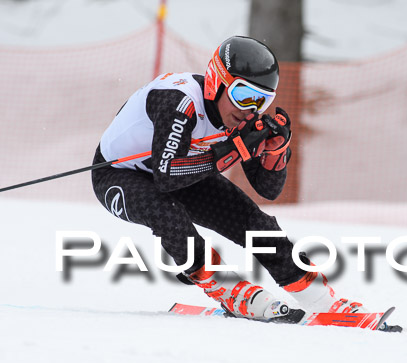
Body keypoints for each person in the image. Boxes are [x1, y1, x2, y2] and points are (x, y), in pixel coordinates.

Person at [92, 36, 368, 323]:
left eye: (262, 100)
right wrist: (229, 152)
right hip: (118, 174)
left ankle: (321, 299)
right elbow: (165, 177)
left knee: (254, 223)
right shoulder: (180, 102)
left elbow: (267, 189)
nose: (250, 108)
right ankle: (228, 290)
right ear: (217, 82)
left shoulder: (241, 116)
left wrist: (275, 155)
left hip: (181, 171)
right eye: (244, 94)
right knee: (168, 215)